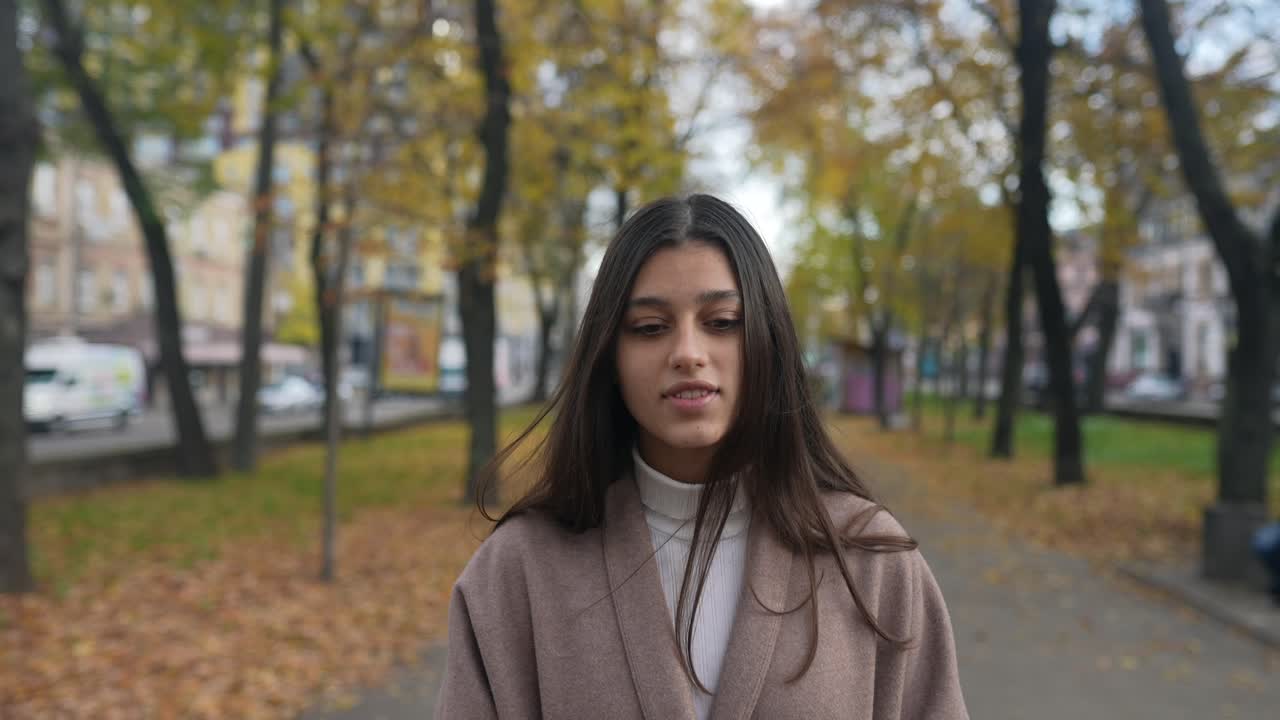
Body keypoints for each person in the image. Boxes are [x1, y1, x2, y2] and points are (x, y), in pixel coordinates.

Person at [435, 194, 969, 719]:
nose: (688, 352)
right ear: (610, 356)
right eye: (649, 327)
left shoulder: (874, 563)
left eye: (722, 322)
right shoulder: (517, 573)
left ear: (769, 342)